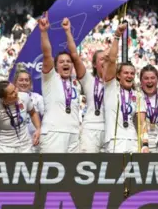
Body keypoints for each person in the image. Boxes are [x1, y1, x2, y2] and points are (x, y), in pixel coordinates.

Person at [38, 14, 82, 153]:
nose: (66, 64)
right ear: (56, 66)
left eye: (68, 62)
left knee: (71, 173)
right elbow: (47, 54)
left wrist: (68, 31)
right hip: (53, 132)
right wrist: (44, 32)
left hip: (74, 133)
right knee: (50, 173)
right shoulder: (50, 78)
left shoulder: (76, 83)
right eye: (62, 62)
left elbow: (74, 54)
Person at [103, 22, 148, 153]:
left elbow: (141, 122)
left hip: (133, 141)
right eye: (126, 73)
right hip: (114, 140)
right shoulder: (111, 88)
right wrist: (117, 36)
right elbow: (111, 60)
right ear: (118, 75)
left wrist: (144, 144)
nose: (129, 76)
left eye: (132, 73)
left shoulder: (138, 95)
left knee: (132, 173)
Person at [69, 18, 107, 153]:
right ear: (95, 64)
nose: (105, 61)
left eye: (107, 59)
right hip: (91, 128)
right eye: (102, 59)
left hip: (111, 130)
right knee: (88, 166)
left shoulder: (116, 83)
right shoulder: (89, 80)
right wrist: (68, 31)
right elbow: (74, 56)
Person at [0, 81, 41, 153]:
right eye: (12, 93)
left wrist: (38, 128)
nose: (16, 92)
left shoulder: (24, 97)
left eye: (15, 88)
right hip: (5, 147)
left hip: (25, 145)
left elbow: (33, 113)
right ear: (3, 99)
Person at [13, 67, 45, 141]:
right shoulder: (10, 98)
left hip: (34, 140)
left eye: (27, 80)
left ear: (30, 83)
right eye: (21, 80)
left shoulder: (38, 97)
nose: (24, 83)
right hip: (15, 140)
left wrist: (39, 130)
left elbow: (46, 116)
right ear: (15, 82)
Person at [140, 65, 158, 152]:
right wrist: (144, 144)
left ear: (157, 79)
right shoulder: (136, 96)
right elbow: (140, 123)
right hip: (143, 143)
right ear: (141, 80)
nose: (149, 81)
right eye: (146, 78)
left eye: (152, 78)